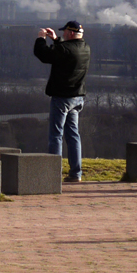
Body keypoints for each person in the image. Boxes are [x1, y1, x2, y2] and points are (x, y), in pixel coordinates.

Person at [34, 20, 90, 182]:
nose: (63, 34)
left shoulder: (65, 50)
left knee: (55, 136)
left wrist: (41, 38)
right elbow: (65, 51)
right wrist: (56, 40)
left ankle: (53, 175)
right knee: (73, 135)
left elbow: (43, 55)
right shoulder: (86, 48)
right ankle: (75, 173)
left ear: (71, 33)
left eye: (65, 32)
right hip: (77, 98)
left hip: (62, 98)